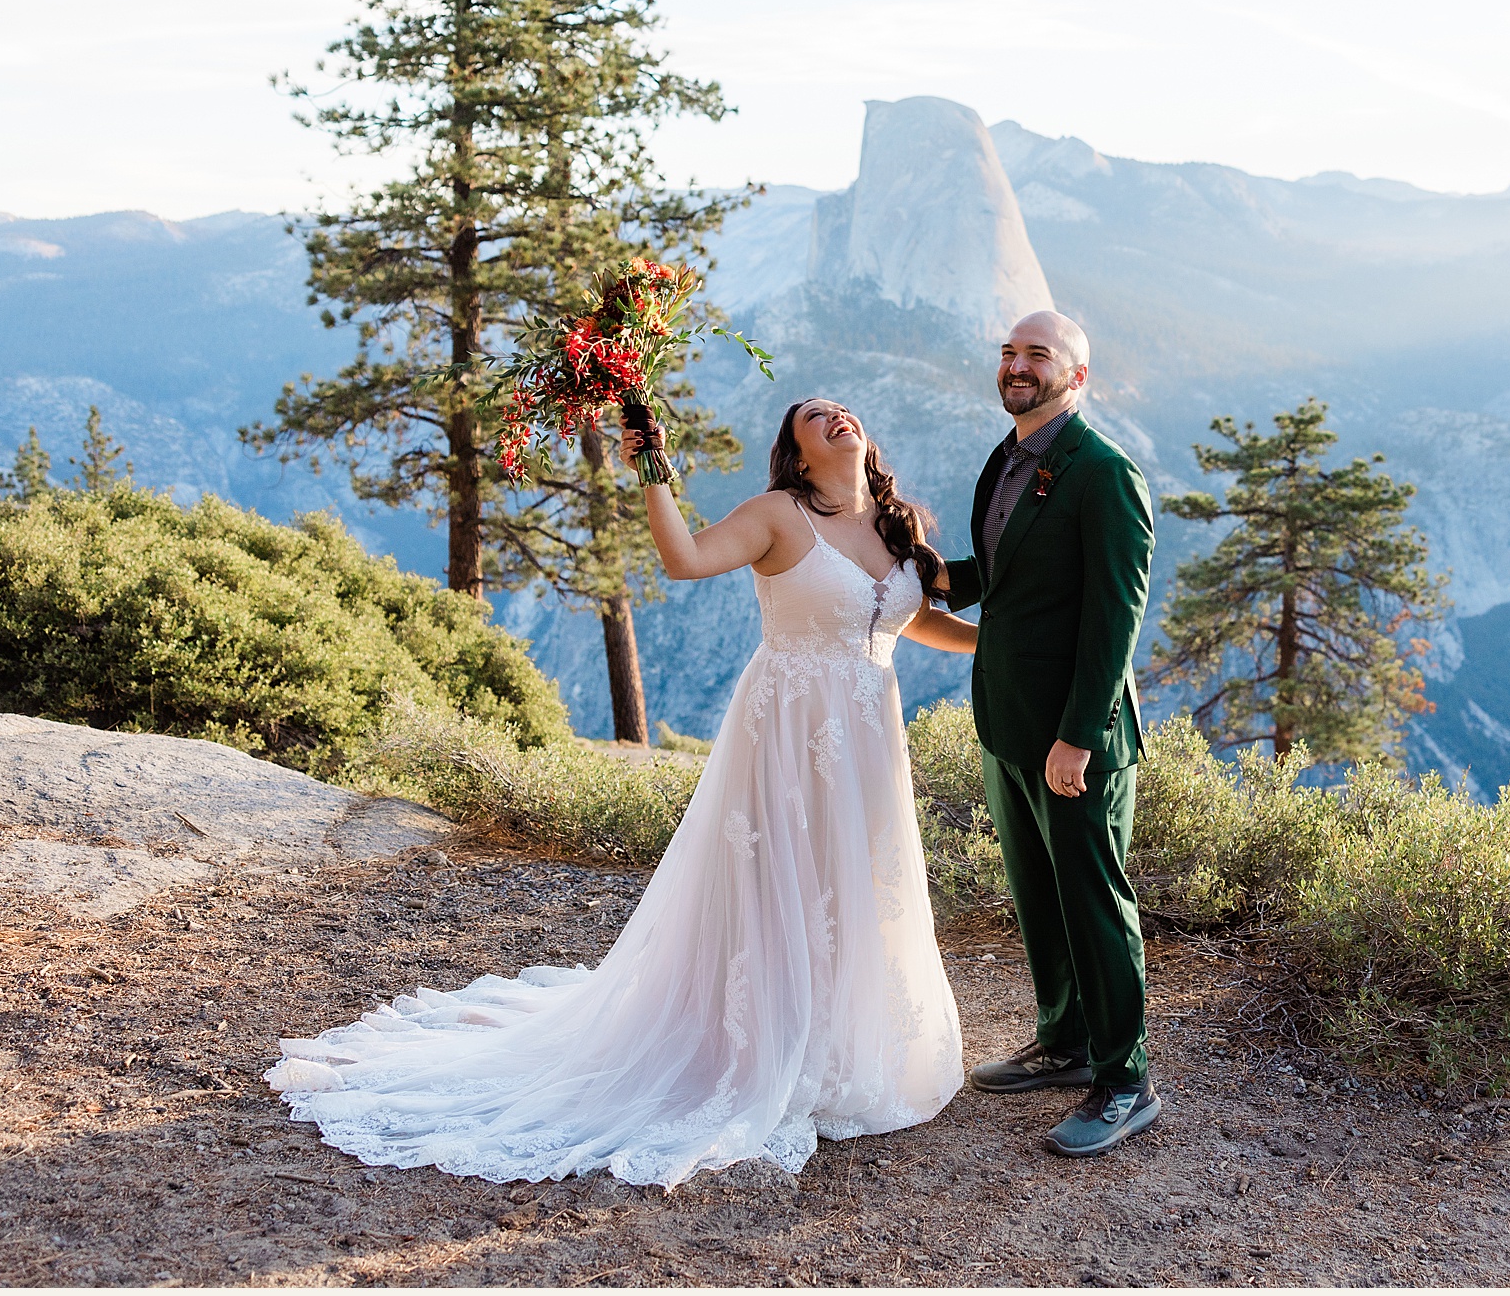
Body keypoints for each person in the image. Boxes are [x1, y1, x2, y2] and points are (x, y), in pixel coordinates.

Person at [263, 398, 976, 1186]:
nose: (836, 415)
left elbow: (915, 620)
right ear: (798, 454)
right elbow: (684, 557)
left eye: (841, 407)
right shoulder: (779, 514)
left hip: (869, 741)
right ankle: (758, 1048)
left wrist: (1005, 643)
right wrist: (651, 466)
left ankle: (843, 1046)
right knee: (781, 886)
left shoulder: (897, 524)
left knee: (852, 885)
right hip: (787, 734)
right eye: (814, 415)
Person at [944, 309, 1161, 1157]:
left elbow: (1115, 618)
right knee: (1040, 897)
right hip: (1009, 725)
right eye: (1008, 352)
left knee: (1094, 901)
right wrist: (932, 571)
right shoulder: (1008, 457)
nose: (1017, 365)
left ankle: (1125, 1080)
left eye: (1037, 353)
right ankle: (1065, 1042)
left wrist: (1077, 737)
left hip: (1076, 740)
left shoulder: (1104, 474)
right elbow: (1003, 574)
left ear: (1078, 375)